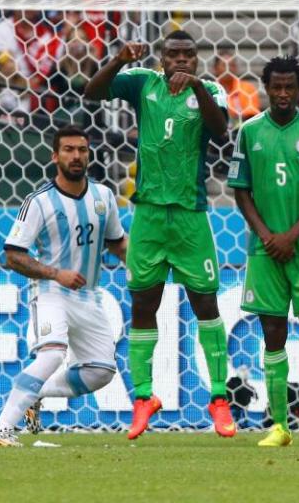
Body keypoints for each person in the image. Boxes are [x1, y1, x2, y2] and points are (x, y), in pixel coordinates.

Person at [84, 30, 236, 439]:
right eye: (174, 54)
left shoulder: (211, 90)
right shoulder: (143, 82)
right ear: (163, 57)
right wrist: (117, 59)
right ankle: (144, 397)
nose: (182, 61)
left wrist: (199, 89)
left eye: (189, 54)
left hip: (190, 213)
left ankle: (219, 398)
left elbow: (221, 130)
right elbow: (93, 92)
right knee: (143, 304)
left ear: (197, 58)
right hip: (148, 213)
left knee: (205, 302)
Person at [0, 125, 127, 447]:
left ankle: (37, 393)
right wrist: (54, 273)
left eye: (82, 150)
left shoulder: (104, 196)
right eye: (69, 150)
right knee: (51, 355)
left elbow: (118, 243)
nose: (76, 156)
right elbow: (13, 256)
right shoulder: (39, 202)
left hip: (88, 297)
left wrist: (140, 265)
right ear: (54, 155)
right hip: (50, 292)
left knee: (102, 371)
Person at [228, 57, 299, 448]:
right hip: (264, 252)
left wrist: (292, 234)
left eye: (288, 87)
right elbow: (240, 189)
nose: (281, 94)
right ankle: (280, 426)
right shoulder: (249, 131)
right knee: (272, 334)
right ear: (264, 87)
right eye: (275, 87)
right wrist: (266, 235)